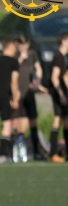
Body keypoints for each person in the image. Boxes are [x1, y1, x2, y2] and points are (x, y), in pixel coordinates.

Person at [14, 34, 48, 160]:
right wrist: (20, 59)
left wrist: (37, 81)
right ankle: (18, 149)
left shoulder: (32, 54)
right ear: (17, 45)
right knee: (18, 122)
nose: (24, 48)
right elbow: (12, 70)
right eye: (21, 45)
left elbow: (38, 69)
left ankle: (36, 151)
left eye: (26, 45)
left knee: (33, 120)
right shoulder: (15, 55)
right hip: (18, 93)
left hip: (29, 93)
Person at [47, 32, 68, 163]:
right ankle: (52, 153)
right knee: (57, 120)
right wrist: (61, 94)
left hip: (63, 93)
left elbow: (65, 77)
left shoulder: (63, 57)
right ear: (64, 41)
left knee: (66, 121)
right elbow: (54, 78)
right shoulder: (58, 57)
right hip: (59, 94)